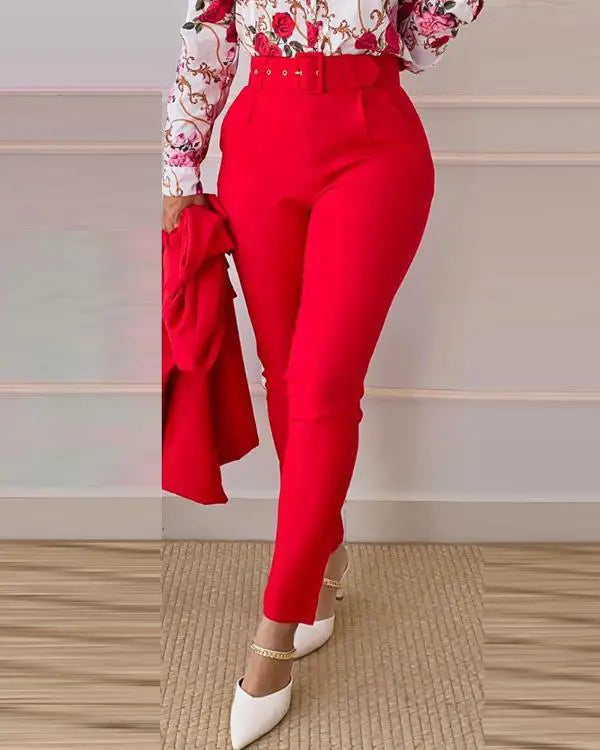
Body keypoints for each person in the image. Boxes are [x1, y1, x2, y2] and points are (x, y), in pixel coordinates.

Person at [162, 1, 484, 747]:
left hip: (375, 142)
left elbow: (422, 33)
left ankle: (273, 633)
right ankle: (326, 550)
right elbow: (210, 28)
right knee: (283, 377)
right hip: (261, 138)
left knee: (323, 389)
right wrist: (180, 168)